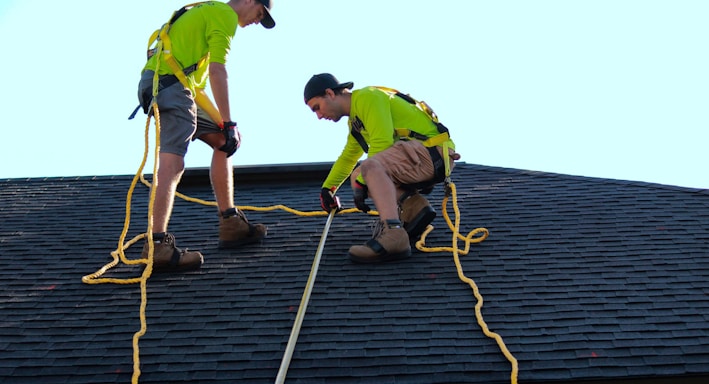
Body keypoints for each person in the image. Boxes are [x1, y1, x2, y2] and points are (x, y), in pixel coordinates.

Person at [134, 0, 276, 272]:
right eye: (260, 13)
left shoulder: (206, 11)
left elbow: (195, 85)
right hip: (170, 87)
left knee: (225, 142)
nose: (257, 21)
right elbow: (217, 71)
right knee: (172, 164)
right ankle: (157, 244)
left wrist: (226, 125)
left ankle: (230, 223)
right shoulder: (224, 15)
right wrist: (230, 120)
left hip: (174, 86)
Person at [304, 73, 460, 264]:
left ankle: (394, 234)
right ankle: (414, 207)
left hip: (430, 152)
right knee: (361, 174)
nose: (319, 116)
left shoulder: (367, 97)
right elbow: (348, 157)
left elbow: (382, 143)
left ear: (330, 93)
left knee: (368, 169)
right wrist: (328, 189)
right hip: (423, 155)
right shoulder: (356, 121)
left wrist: (363, 180)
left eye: (317, 108)